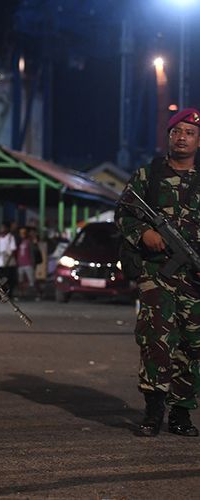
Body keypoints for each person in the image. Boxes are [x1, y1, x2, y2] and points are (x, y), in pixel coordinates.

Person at [116, 108, 200, 438]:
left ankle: (181, 414)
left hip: (194, 279)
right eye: (176, 131)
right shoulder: (147, 176)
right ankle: (153, 412)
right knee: (156, 341)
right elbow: (123, 214)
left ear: (198, 139)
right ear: (168, 136)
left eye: (189, 132)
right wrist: (143, 234)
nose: (182, 137)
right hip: (157, 275)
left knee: (193, 345)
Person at [0, 222, 17, 298]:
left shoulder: (10, 237)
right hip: (1, 262)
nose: (1, 229)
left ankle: (10, 294)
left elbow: (12, 250)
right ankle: (2, 293)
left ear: (7, 228)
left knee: (9, 279)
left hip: (8, 262)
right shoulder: (0, 237)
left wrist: (7, 262)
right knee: (2, 279)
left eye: (3, 227)